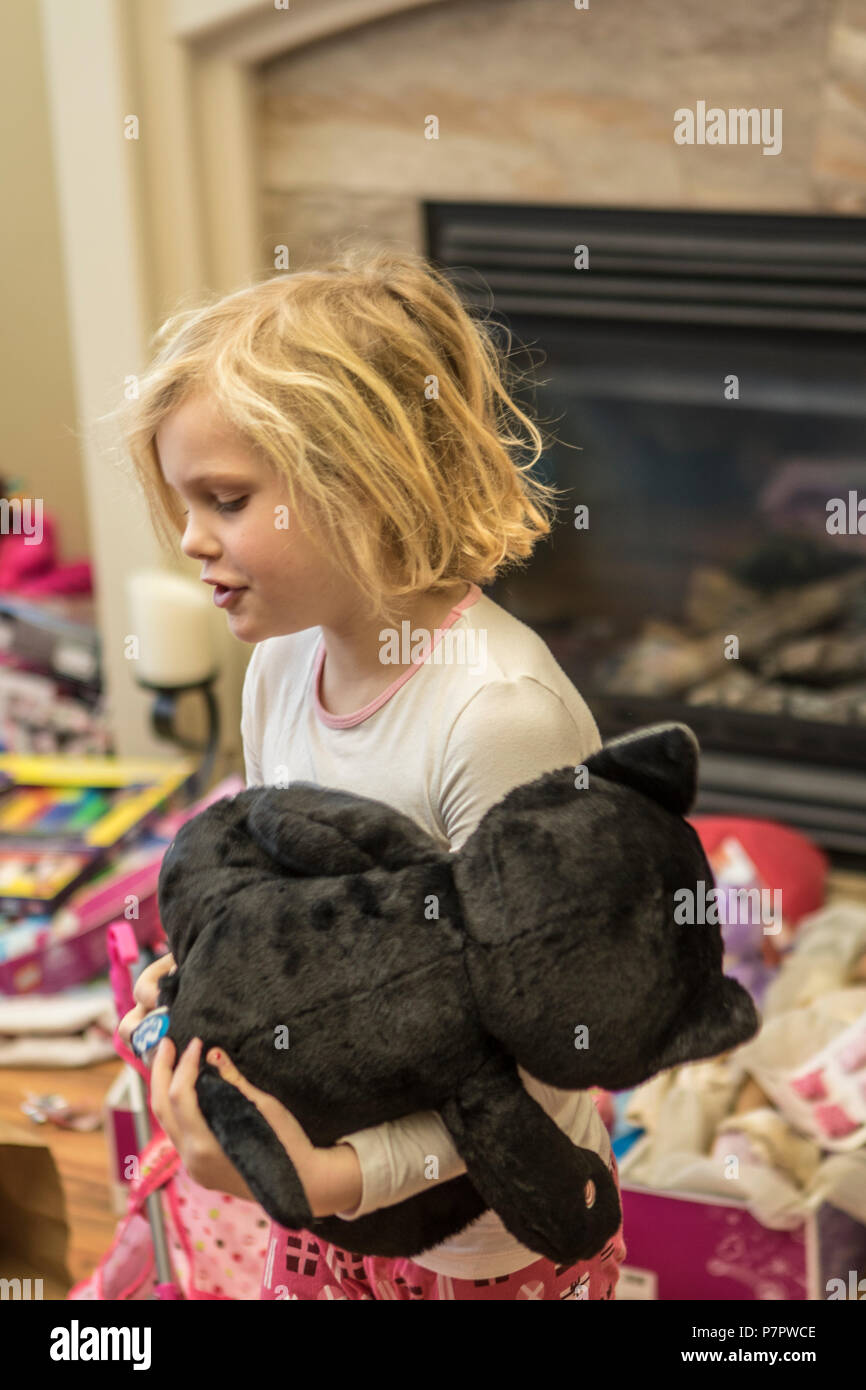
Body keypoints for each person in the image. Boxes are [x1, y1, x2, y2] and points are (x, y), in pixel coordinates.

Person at [117, 244, 627, 1301]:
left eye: (224, 498)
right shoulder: (276, 666)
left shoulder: (496, 716)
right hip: (333, 1214)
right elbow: (286, 927)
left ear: (359, 481)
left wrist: (338, 1177)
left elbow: (544, 1047)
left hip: (484, 1243)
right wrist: (199, 989)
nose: (189, 541)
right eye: (183, 503)